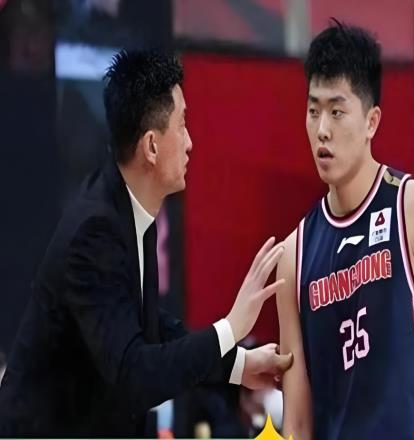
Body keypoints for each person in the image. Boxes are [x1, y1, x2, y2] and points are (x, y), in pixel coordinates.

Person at [0, 49, 292, 437]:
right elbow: (133, 373)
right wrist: (230, 328)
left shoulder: (130, 210)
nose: (190, 142)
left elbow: (152, 329)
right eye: (182, 125)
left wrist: (238, 365)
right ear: (151, 146)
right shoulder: (95, 232)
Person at [276, 20, 414, 440]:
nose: (322, 129)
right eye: (313, 111)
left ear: (371, 121)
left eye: (336, 111)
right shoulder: (294, 255)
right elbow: (297, 422)